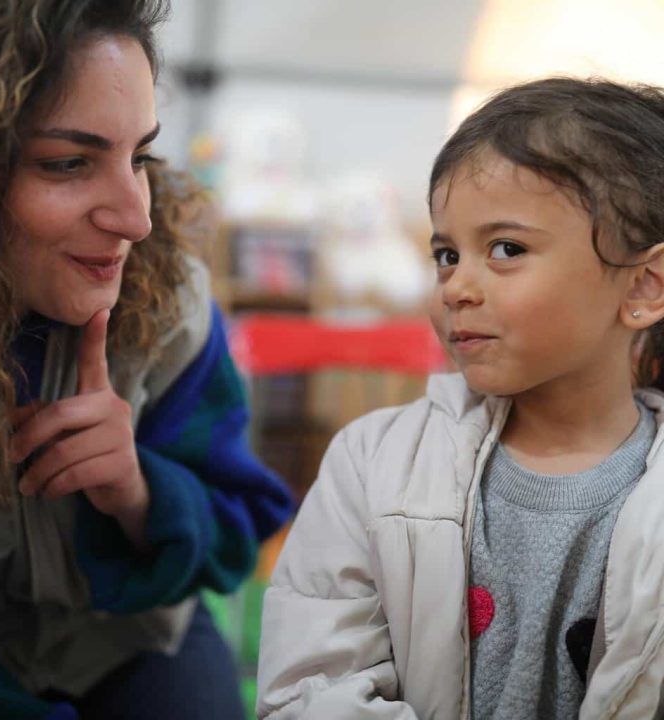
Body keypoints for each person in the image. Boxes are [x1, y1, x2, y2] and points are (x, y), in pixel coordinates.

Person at [257, 76, 664, 719]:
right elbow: (311, 691)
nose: (455, 288)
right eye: (446, 254)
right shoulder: (372, 465)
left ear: (643, 288)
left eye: (506, 249)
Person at [0, 1, 293, 719]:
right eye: (68, 163)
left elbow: (238, 532)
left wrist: (140, 492)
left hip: (139, 643)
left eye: (139, 157)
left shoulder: (168, 310)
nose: (137, 218)